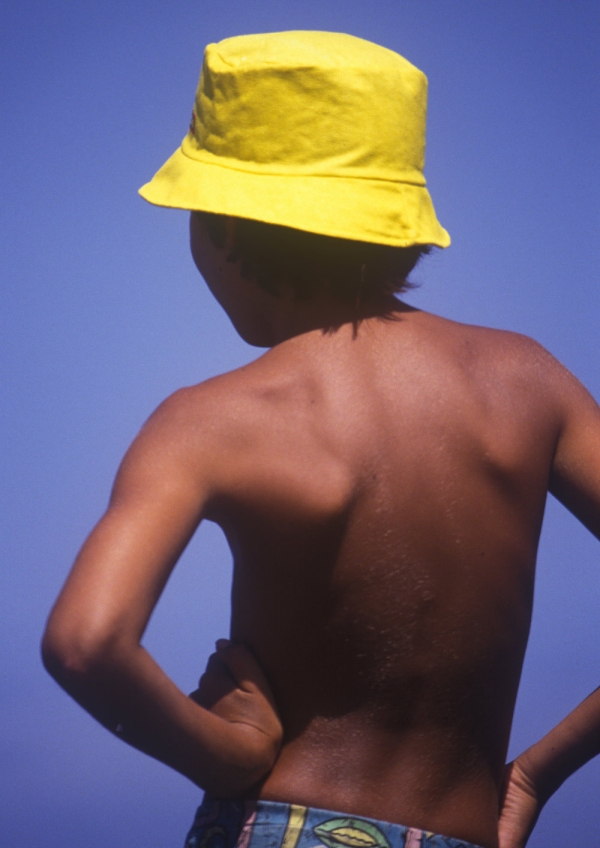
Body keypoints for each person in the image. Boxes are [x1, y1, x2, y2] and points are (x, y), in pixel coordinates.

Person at [41, 31, 600, 848]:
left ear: (227, 227)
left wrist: (227, 758)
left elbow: (84, 644)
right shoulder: (530, 381)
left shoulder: (210, 419)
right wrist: (535, 774)